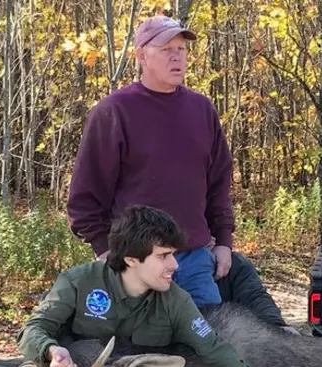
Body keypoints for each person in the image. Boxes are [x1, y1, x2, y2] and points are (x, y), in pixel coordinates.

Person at [0, 205, 322, 367]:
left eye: (174, 254)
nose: (175, 265)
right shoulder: (79, 281)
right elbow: (32, 330)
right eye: (164, 256)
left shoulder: (174, 300)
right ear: (131, 259)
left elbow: (222, 356)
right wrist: (51, 351)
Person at [66, 15, 234, 309]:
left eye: (181, 50)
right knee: (139, 351)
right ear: (142, 55)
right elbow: (84, 198)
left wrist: (223, 242)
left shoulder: (202, 109)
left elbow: (218, 183)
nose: (177, 57)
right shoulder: (113, 113)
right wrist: (106, 251)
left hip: (194, 261)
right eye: (166, 50)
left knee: (210, 348)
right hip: (137, 263)